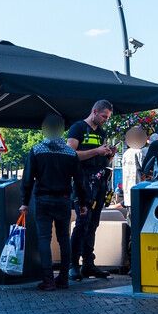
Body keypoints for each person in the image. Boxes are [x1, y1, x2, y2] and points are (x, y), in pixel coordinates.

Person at [20, 114, 88, 291]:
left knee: (44, 239)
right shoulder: (70, 153)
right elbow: (80, 181)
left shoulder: (36, 150)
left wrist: (24, 202)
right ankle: (64, 279)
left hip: (42, 200)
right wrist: (83, 204)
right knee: (64, 238)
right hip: (64, 200)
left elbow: (27, 179)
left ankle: (48, 280)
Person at [67, 100, 116, 281]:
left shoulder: (101, 132)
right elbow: (70, 154)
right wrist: (97, 151)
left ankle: (89, 263)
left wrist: (109, 155)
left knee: (93, 223)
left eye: (108, 117)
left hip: (99, 183)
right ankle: (73, 265)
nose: (105, 120)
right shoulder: (78, 128)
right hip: (82, 184)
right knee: (82, 223)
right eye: (104, 116)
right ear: (94, 111)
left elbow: (103, 161)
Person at [121, 126, 147, 216]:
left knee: (130, 216)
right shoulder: (139, 152)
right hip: (138, 188)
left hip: (128, 190)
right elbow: (145, 169)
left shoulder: (126, 153)